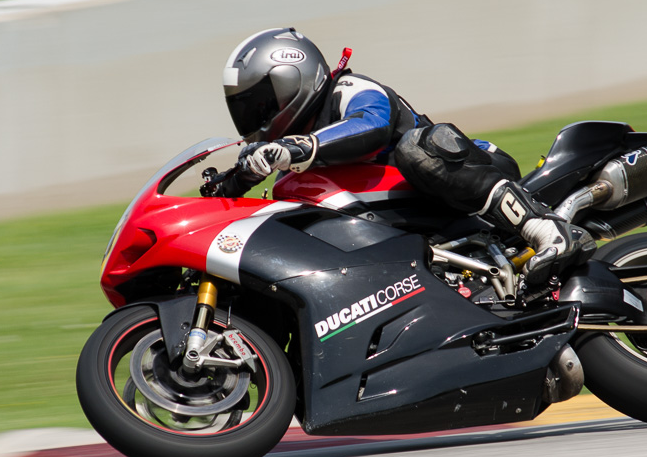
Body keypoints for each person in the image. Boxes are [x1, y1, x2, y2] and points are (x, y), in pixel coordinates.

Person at [218, 27, 593, 288]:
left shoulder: (349, 89)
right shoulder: (297, 152)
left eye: (262, 104)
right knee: (284, 198)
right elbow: (253, 172)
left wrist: (296, 148)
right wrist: (231, 183)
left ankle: (545, 228)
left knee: (419, 148)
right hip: (410, 217)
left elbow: (373, 124)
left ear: (291, 80)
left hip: (470, 172)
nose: (256, 118)